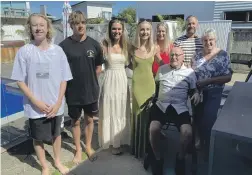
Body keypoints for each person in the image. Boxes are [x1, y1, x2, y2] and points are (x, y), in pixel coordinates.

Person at [11, 13, 72, 175]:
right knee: (37, 137)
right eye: (34, 25)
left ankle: (57, 161)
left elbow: (64, 79)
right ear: (30, 29)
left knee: (57, 135)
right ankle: (44, 166)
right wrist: (35, 101)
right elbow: (19, 80)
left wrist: (59, 102)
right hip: (35, 106)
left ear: (47, 28)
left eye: (41, 25)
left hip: (55, 105)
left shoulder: (58, 51)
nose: (38, 28)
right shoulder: (24, 52)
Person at [59, 11, 104, 164]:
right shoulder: (64, 46)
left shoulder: (94, 44)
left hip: (91, 90)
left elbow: (99, 66)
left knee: (90, 119)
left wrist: (89, 79)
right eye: (77, 23)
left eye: (83, 23)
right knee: (76, 121)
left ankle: (88, 146)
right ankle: (78, 149)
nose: (80, 26)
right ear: (71, 25)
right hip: (73, 92)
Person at [148, 47, 200, 175]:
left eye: (177, 55)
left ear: (183, 57)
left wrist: (197, 93)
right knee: (153, 128)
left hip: (180, 107)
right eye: (172, 55)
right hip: (161, 105)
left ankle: (180, 158)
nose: (174, 57)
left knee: (187, 132)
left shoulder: (189, 72)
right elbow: (155, 88)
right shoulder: (162, 69)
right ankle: (158, 158)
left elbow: (194, 90)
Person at [192, 28, 232, 160]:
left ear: (215, 40)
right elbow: (193, 74)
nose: (208, 42)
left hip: (214, 92)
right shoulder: (197, 55)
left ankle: (207, 148)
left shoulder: (223, 55)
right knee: (196, 118)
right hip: (198, 92)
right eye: (205, 40)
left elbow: (228, 77)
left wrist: (208, 81)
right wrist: (196, 89)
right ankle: (196, 144)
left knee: (208, 120)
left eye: (211, 40)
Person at [130, 19, 163, 159]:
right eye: (142, 29)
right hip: (137, 86)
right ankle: (137, 148)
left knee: (148, 118)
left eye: (147, 29)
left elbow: (162, 63)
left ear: (151, 31)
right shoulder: (131, 48)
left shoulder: (155, 48)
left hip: (150, 86)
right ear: (138, 31)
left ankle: (148, 148)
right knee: (137, 117)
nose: (145, 32)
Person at [98, 17, 131, 155]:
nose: (116, 31)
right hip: (109, 80)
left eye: (119, 29)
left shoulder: (126, 45)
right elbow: (98, 65)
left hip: (122, 80)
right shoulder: (104, 45)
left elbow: (131, 64)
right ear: (110, 30)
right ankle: (109, 141)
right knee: (109, 109)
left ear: (123, 30)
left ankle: (119, 140)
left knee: (121, 109)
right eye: (114, 29)